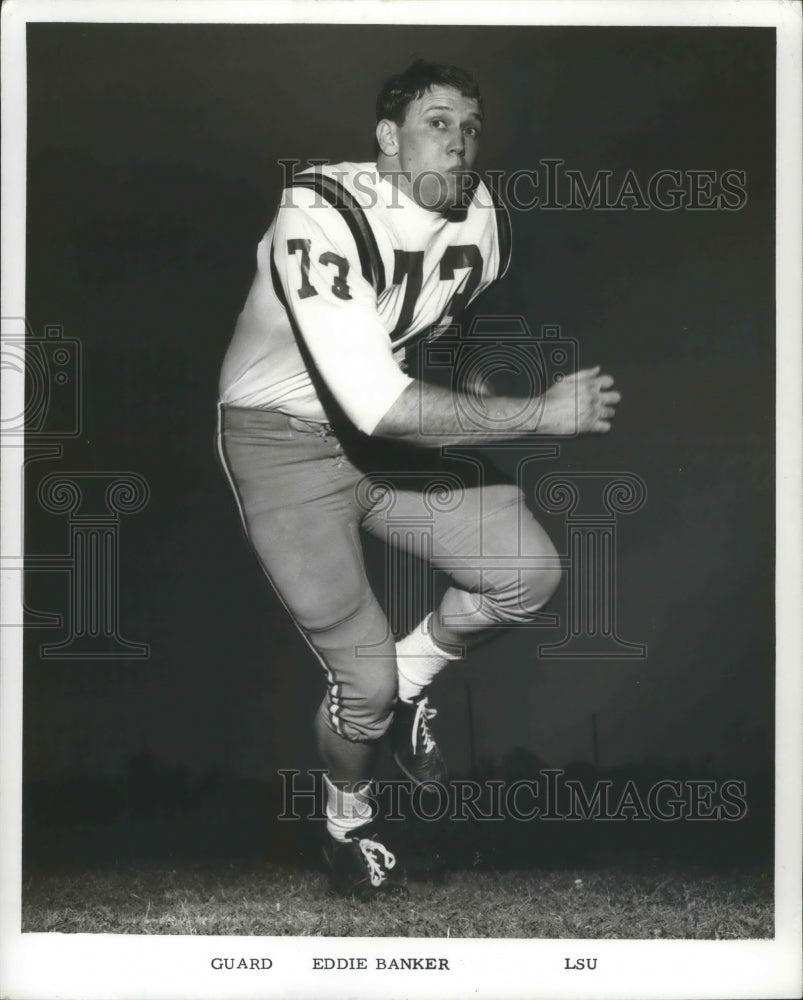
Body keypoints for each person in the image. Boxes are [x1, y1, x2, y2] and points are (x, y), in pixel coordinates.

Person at [217, 60, 619, 898]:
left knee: (528, 574)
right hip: (283, 442)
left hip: (382, 443)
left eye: (473, 127)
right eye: (439, 123)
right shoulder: (319, 214)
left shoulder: (481, 217)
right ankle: (344, 822)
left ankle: (409, 681)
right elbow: (378, 405)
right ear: (386, 138)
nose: (462, 143)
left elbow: (448, 316)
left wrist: (470, 378)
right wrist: (540, 416)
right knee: (356, 685)